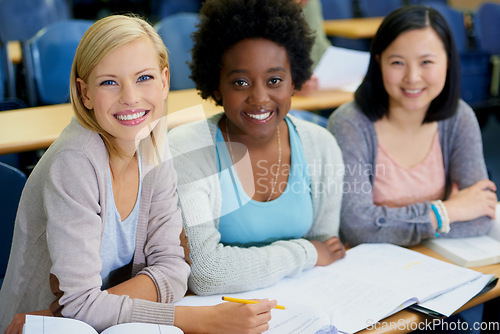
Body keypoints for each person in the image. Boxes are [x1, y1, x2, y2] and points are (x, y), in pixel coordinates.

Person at [0, 14, 276, 334]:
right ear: (84, 92)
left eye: (143, 78)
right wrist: (201, 319)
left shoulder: (152, 141)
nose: (130, 97)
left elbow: (175, 269)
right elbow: (78, 308)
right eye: (109, 82)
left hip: (100, 324)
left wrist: (86, 306)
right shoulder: (75, 162)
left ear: (164, 80)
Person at [167, 0, 346, 297]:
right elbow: (205, 273)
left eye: (274, 80)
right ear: (216, 86)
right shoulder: (188, 149)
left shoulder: (320, 145)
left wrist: (315, 253)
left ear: (294, 82)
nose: (260, 98)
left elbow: (327, 249)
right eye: (240, 82)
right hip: (221, 316)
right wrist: (305, 253)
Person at [327, 5, 497, 248]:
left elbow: (481, 216)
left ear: (448, 61)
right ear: (378, 62)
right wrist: (446, 212)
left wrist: (387, 225)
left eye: (426, 62)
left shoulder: (459, 118)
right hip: (368, 268)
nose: (412, 77)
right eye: (397, 63)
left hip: (438, 261)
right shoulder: (350, 124)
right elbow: (358, 227)